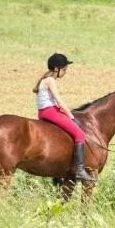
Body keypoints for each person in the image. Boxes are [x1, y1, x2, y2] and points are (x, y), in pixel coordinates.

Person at [34, 53, 95, 182]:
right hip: (50, 112)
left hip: (44, 112)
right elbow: (59, 101)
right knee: (80, 135)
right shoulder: (50, 80)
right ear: (57, 69)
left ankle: (58, 173)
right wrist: (70, 116)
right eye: (65, 69)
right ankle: (79, 170)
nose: (65, 72)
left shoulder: (45, 79)